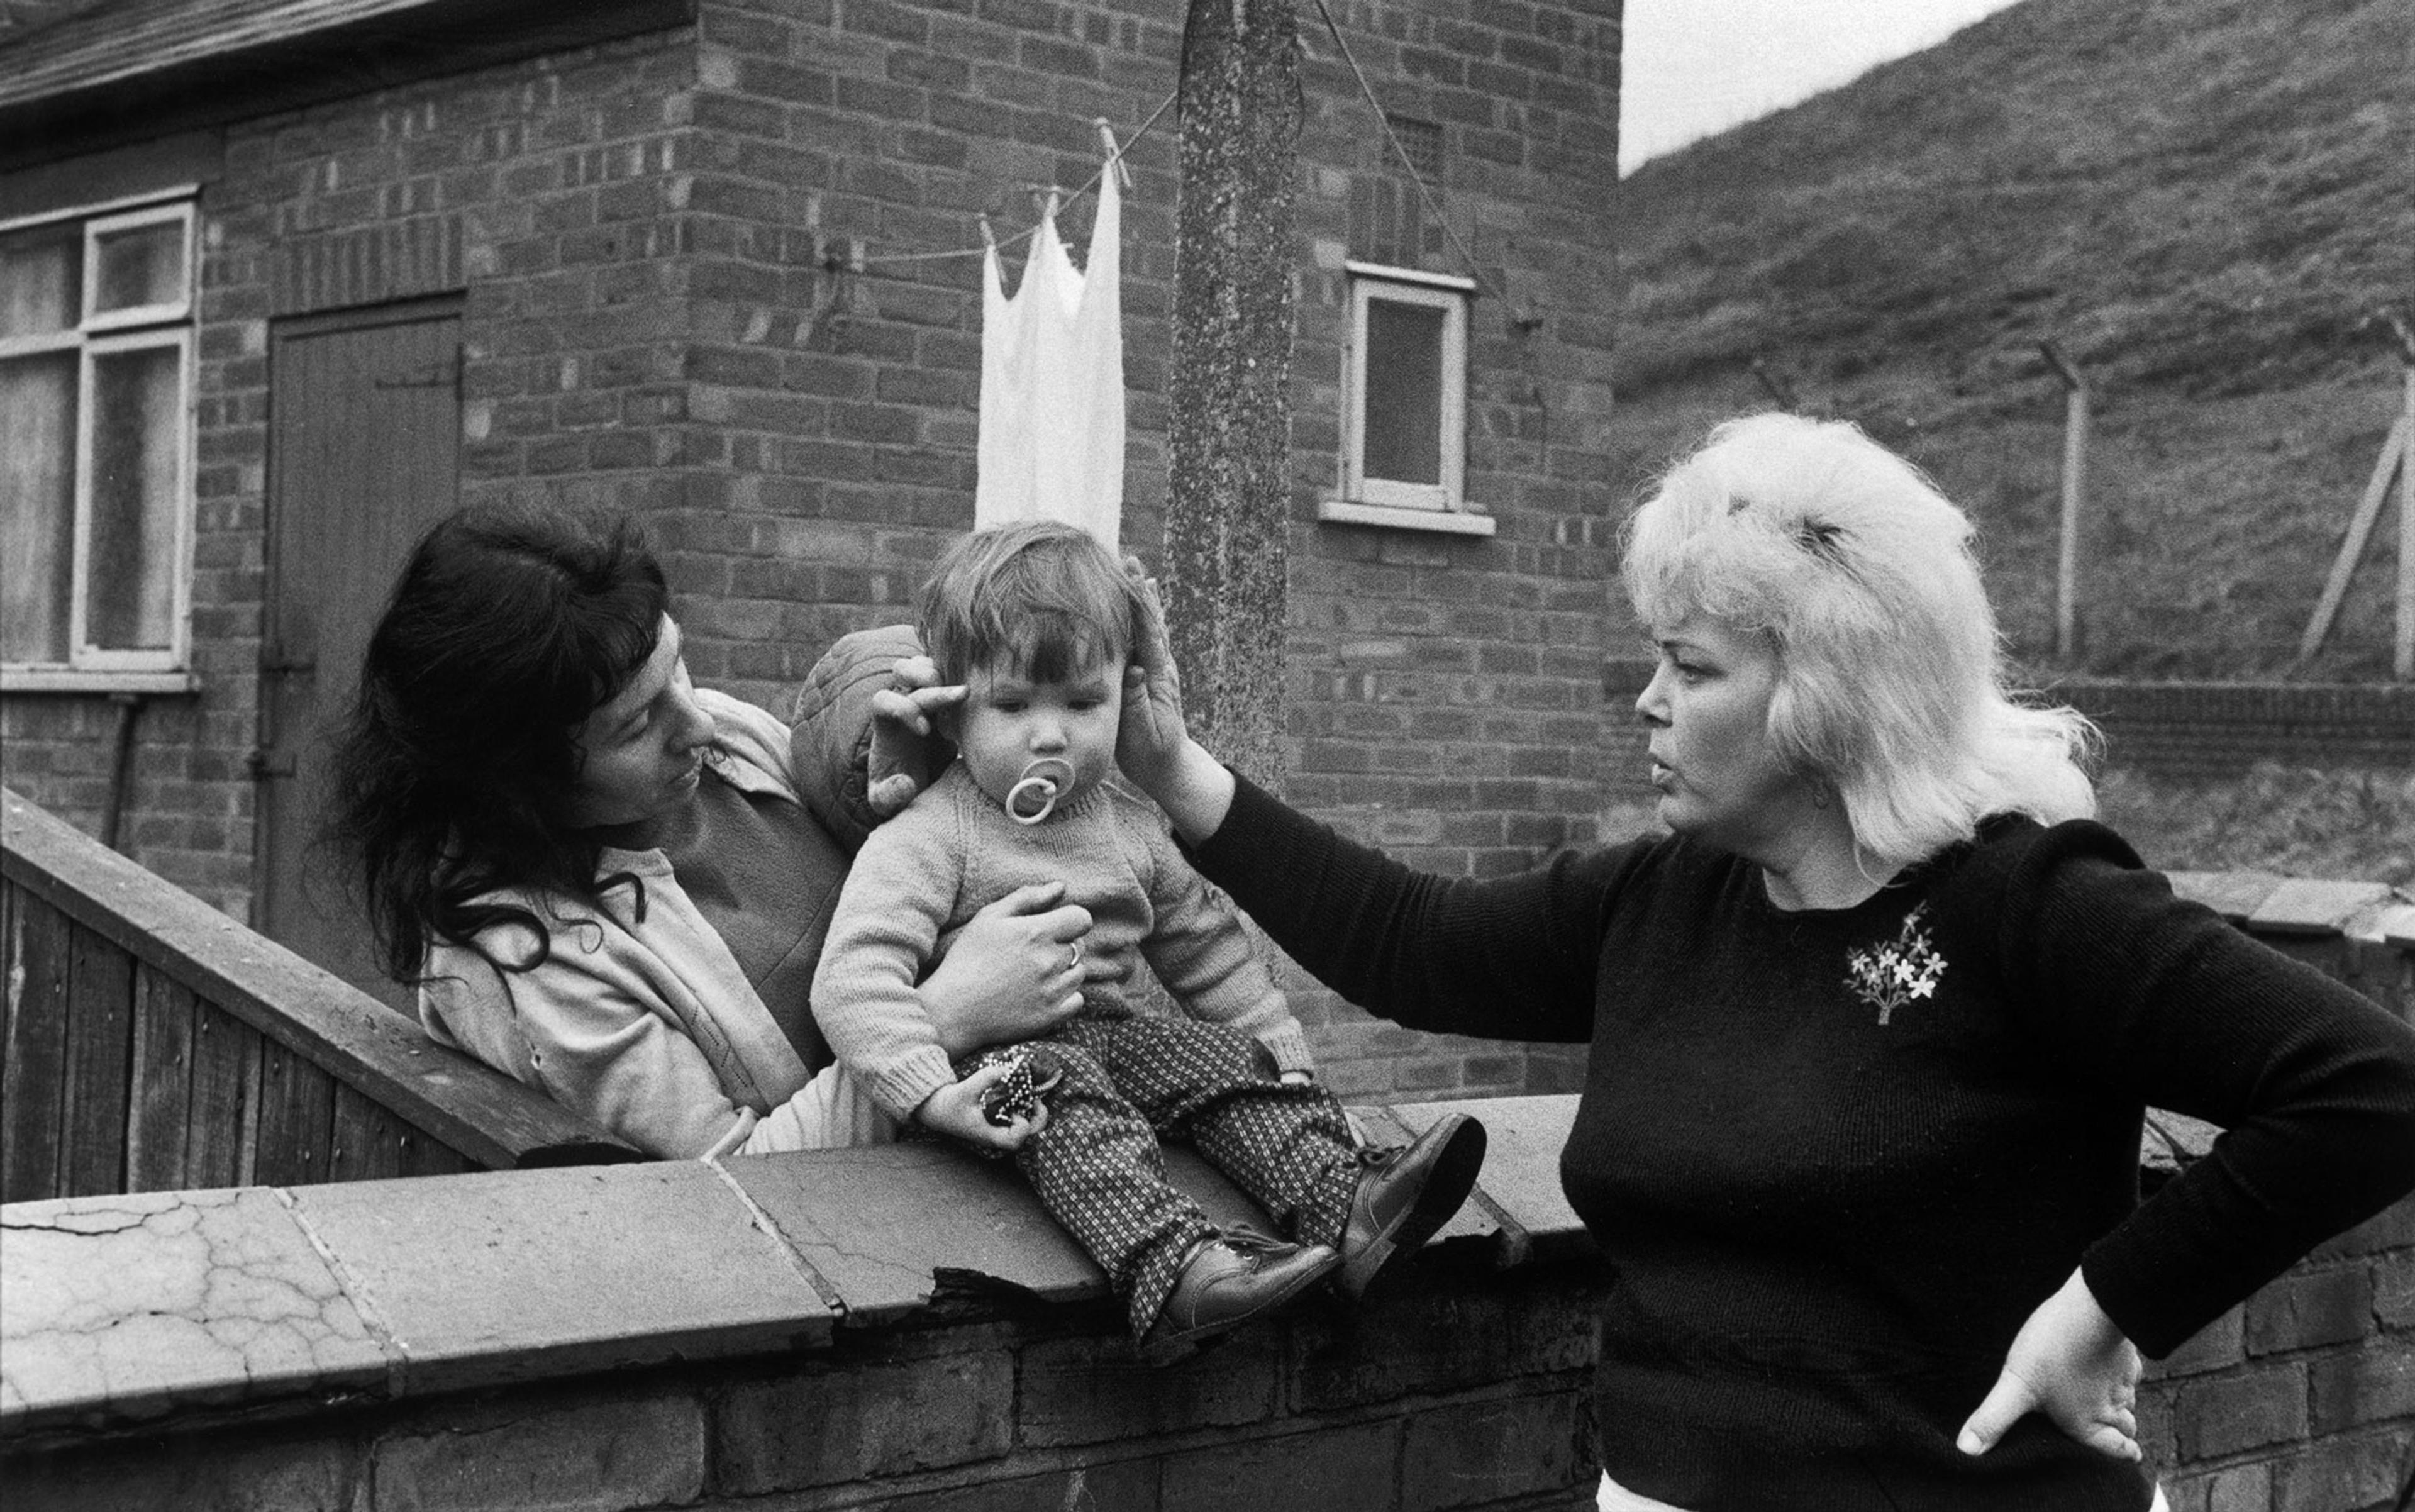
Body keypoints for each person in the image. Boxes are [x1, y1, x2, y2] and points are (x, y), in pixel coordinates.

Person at [1109, 413, 2415, 1508]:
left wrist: (2104, 1302)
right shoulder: (1667, 897)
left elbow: (2370, 1087)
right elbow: (1413, 943)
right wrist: (1169, 767)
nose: (1648, 699)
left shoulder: (2027, 905)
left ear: (1824, 697)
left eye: (1691, 665)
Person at [808, 520, 1488, 1361]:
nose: (1050, 734)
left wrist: (1285, 1056)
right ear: (952, 711)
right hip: (989, 1072)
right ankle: (1176, 1277)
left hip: (1109, 1041)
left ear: (1122, 696)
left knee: (1213, 1061)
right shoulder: (932, 833)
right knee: (1064, 1089)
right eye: (1014, 705)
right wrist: (928, 1092)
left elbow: (1208, 950)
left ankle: (1344, 1206)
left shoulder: (1128, 828)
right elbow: (853, 977)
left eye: (1082, 703)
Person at [329, 504, 1091, 1160]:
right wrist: (947, 1015)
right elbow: (738, 1181)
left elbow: (910, 877)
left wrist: (908, 782)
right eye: (636, 725)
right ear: (518, 781)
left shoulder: (727, 744)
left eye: (678, 667)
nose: (699, 721)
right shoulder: (527, 962)